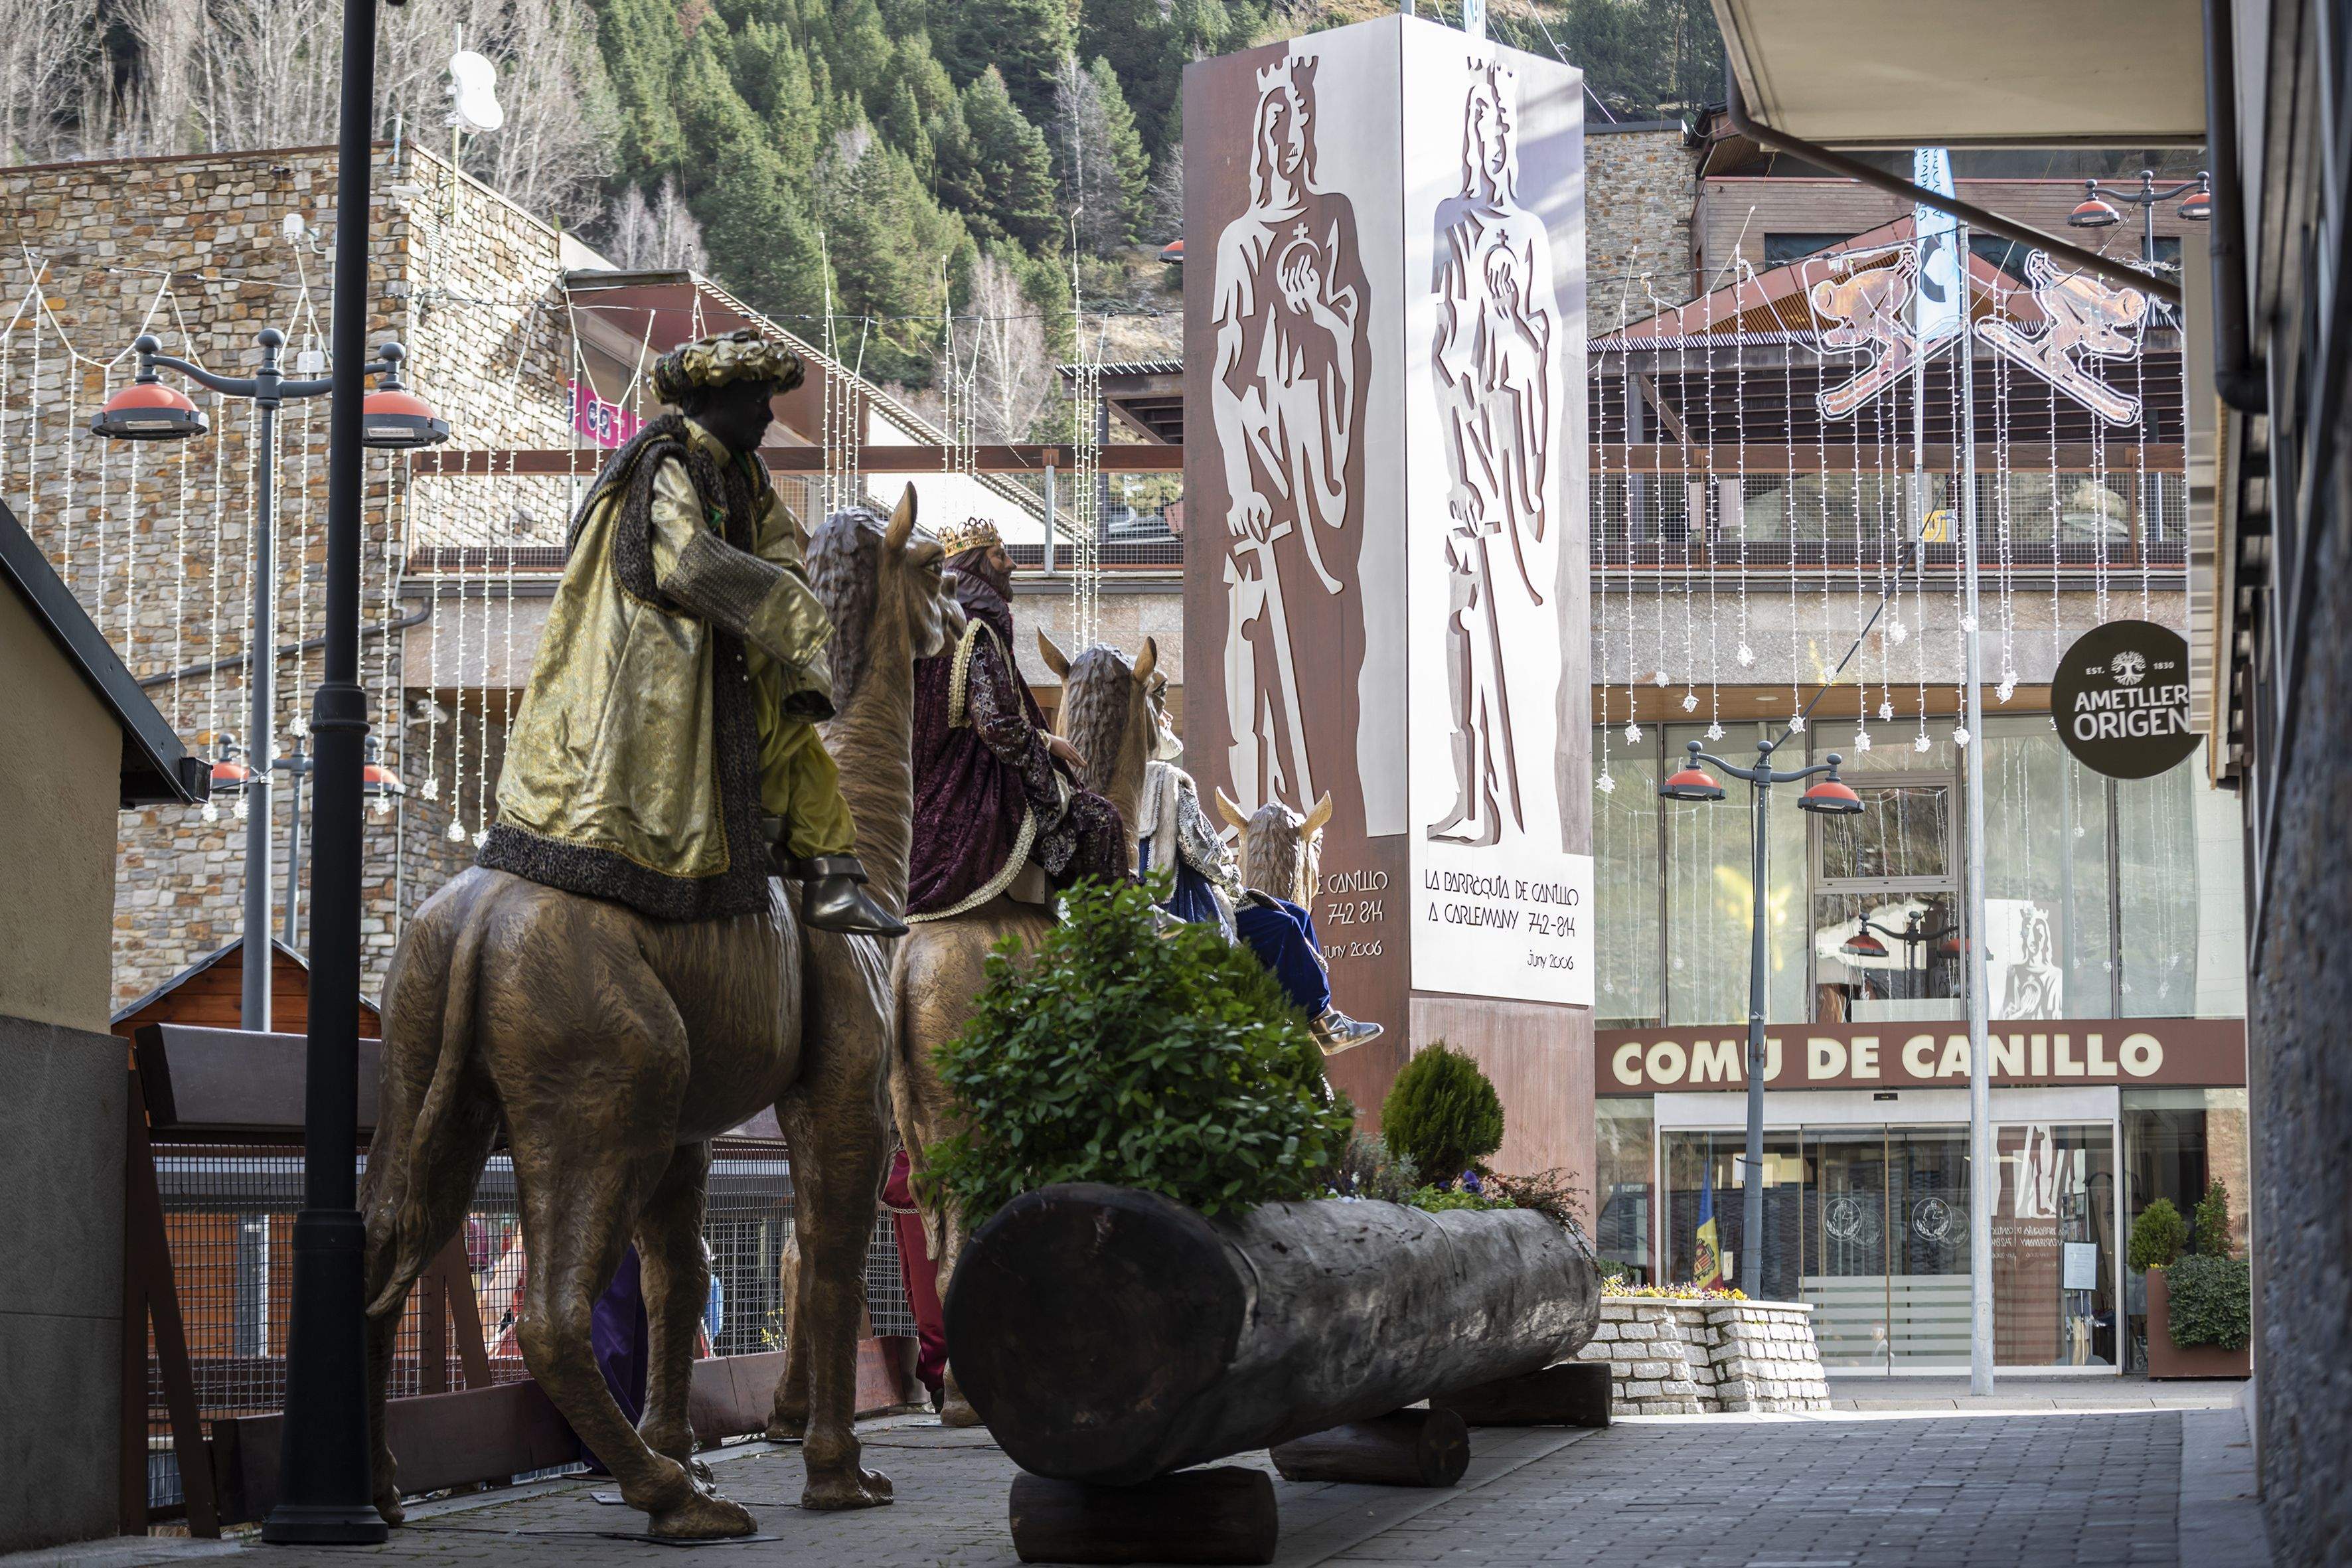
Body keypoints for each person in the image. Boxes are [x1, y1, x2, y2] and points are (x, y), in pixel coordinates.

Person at [479, 329, 904, 936]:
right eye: (756, 399)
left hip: (723, 644)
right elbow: (686, 564)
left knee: (794, 734)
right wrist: (789, 609)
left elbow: (779, 546)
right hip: (656, 658)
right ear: (713, 399)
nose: (767, 414)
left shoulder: (747, 476)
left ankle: (829, 876)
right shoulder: (664, 464)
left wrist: (787, 607)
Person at [906, 518, 1128, 919]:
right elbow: (994, 724)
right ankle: (1110, 949)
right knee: (1102, 820)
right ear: (976, 565)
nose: (1010, 564)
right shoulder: (978, 629)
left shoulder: (940, 627)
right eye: (999, 555)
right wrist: (1047, 742)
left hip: (927, 790)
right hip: (975, 789)